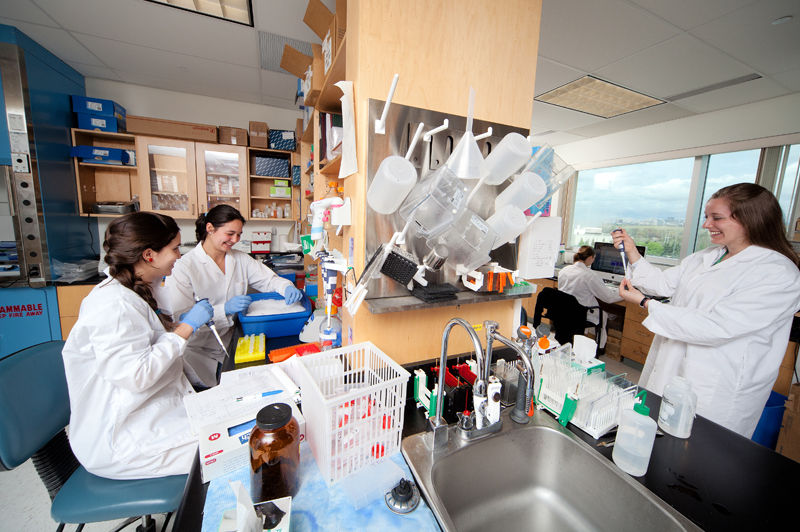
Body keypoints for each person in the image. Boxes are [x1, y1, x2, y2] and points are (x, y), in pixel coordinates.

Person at [612, 183, 800, 438]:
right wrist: (632, 252)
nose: (706, 225)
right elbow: (664, 284)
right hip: (671, 365)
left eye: (717, 218)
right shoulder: (708, 256)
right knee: (649, 438)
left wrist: (646, 303)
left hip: (716, 385)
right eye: (706, 217)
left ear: (751, 220)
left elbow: (717, 326)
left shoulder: (777, 272)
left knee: (697, 457)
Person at [61, 212, 214, 479]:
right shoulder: (114, 304)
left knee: (236, 423)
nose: (179, 256)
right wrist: (185, 328)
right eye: (175, 248)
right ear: (149, 255)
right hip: (126, 440)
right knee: (238, 445)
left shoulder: (140, 288)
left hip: (154, 412)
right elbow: (137, 374)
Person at [166, 205, 303, 388]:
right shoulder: (183, 267)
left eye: (239, 234)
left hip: (233, 339)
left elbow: (269, 280)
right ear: (210, 228)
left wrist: (286, 286)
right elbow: (180, 319)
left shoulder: (239, 258)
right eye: (230, 233)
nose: (235, 240)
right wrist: (224, 309)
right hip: (199, 349)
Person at [557, 245, 623, 349]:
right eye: (594, 258)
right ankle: (599, 348)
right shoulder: (590, 276)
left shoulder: (564, 270)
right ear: (589, 258)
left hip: (563, 310)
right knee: (604, 315)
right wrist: (624, 293)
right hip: (580, 313)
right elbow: (609, 297)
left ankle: (585, 339)